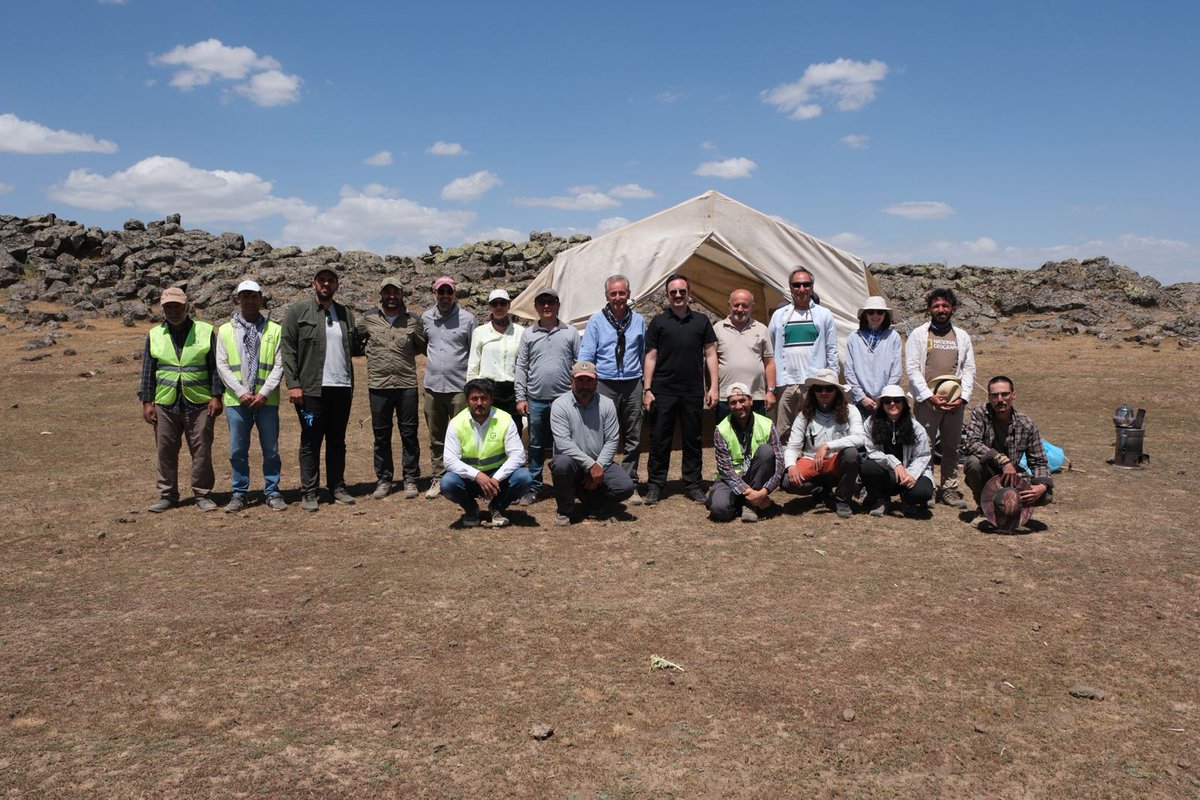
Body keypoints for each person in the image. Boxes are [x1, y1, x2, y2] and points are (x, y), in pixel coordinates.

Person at [281, 267, 366, 512]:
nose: (326, 284)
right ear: (313, 284)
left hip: (341, 388)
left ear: (337, 285)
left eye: (330, 280)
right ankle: (309, 491)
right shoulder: (298, 311)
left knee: (337, 440)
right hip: (311, 390)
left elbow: (353, 348)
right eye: (322, 280)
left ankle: (337, 487)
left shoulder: (344, 313)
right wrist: (293, 384)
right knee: (310, 440)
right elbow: (288, 348)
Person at [139, 286, 224, 513]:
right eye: (168, 307)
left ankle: (203, 494)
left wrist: (217, 396)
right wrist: (147, 402)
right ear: (162, 309)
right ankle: (167, 495)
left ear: (186, 306)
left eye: (177, 306)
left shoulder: (205, 331)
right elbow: (148, 371)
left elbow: (215, 368)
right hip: (165, 403)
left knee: (202, 450)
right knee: (165, 451)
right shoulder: (155, 335)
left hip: (200, 402)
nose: (173, 311)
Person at [642, 274, 718, 505]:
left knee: (692, 439)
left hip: (692, 391)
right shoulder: (658, 322)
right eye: (673, 292)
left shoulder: (702, 321)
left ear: (689, 294)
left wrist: (713, 386)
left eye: (682, 291)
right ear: (667, 295)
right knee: (659, 439)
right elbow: (651, 357)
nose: (677, 295)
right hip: (663, 390)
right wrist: (647, 389)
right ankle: (655, 485)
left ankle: (693, 484)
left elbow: (711, 354)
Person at [215, 279, 286, 512]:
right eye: (244, 296)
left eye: (253, 296)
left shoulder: (274, 330)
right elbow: (222, 365)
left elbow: (280, 364)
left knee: (271, 449)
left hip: (267, 401)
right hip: (238, 401)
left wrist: (265, 392)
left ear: (260, 298)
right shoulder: (225, 330)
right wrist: (241, 392)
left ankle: (272, 490)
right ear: (238, 299)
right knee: (237, 449)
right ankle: (239, 492)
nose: (249, 300)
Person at [905, 287, 976, 509]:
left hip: (954, 402)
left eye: (945, 305)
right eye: (936, 306)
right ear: (930, 309)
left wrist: (963, 397)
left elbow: (969, 369)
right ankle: (927, 486)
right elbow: (913, 368)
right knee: (924, 445)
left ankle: (949, 488)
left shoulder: (962, 336)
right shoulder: (919, 334)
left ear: (952, 308)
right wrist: (928, 396)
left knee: (951, 446)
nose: (941, 309)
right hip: (927, 402)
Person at [579, 274, 648, 503]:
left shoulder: (638, 321)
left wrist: (646, 385)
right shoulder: (596, 321)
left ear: (628, 294)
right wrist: (585, 383)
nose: (618, 298)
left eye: (622, 293)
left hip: (632, 382)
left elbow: (643, 354)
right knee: (600, 433)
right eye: (613, 294)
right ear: (606, 296)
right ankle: (599, 478)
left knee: (633, 434)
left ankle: (630, 482)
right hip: (604, 382)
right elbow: (587, 354)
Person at [548, 361, 635, 525]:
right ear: (571, 381)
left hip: (600, 461)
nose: (585, 386)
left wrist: (599, 466)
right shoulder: (559, 405)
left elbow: (612, 440)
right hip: (572, 462)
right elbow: (563, 442)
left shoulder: (607, 404)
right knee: (561, 463)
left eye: (589, 381)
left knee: (625, 486)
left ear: (596, 382)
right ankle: (565, 510)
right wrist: (591, 466)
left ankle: (590, 498)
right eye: (580, 380)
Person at [364, 276, 427, 500]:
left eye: (396, 292)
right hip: (379, 385)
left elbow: (422, 345)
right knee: (381, 435)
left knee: (409, 434)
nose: (391, 296)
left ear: (402, 294)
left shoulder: (413, 320)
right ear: (381, 294)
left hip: (406, 384)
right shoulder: (368, 319)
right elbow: (355, 343)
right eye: (387, 292)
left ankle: (410, 478)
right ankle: (384, 479)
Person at [440, 378, 533, 528]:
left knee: (525, 478)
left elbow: (518, 455)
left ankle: (497, 506)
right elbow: (450, 460)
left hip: (498, 478)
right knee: (448, 483)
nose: (479, 403)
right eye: (474, 398)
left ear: (491, 399)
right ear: (467, 400)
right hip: (470, 479)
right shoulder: (456, 423)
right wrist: (477, 475)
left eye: (484, 398)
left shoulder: (504, 419)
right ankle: (471, 508)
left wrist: (496, 478)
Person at [515, 287, 579, 506]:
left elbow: (578, 365)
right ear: (536, 308)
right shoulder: (528, 334)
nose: (546, 306)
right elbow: (521, 366)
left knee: (564, 445)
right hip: (536, 400)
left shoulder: (570, 332)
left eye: (550, 302)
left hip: (564, 401)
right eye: (542, 303)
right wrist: (520, 397)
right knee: (535, 446)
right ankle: (534, 487)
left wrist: (577, 395)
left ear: (558, 305)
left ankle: (565, 485)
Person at [961, 375, 1054, 520]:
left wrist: (1042, 485)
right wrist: (1002, 460)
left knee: (1046, 496)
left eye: (1005, 394)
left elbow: (1040, 462)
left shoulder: (1027, 425)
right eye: (995, 395)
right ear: (989, 397)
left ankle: (1009, 509)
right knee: (973, 463)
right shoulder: (980, 413)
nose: (1000, 399)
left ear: (1013, 395)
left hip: (1013, 477)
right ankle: (984, 507)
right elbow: (971, 443)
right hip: (987, 471)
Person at [767, 266, 840, 447]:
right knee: (784, 429)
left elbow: (831, 349)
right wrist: (771, 386)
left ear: (812, 286)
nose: (801, 289)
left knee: (813, 427)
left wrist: (831, 380)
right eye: (797, 284)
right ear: (790, 287)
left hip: (813, 382)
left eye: (806, 284)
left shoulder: (823, 315)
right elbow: (770, 351)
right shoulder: (779, 316)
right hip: (786, 382)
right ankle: (784, 468)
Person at [421, 276, 476, 499]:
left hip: (459, 388)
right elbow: (426, 346)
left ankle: (461, 477)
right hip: (433, 387)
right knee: (436, 436)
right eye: (440, 292)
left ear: (454, 294)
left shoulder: (468, 319)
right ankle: (438, 476)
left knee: (462, 435)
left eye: (448, 292)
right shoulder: (426, 318)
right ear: (434, 293)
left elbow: (473, 350)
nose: (444, 297)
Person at [783, 368, 865, 518]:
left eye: (829, 389)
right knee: (788, 481)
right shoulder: (804, 414)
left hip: (836, 460)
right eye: (819, 389)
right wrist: (791, 466)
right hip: (812, 461)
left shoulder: (851, 410)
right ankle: (820, 491)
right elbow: (793, 446)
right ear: (813, 391)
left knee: (851, 454)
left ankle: (842, 500)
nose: (824, 393)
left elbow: (860, 438)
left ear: (837, 391)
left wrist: (827, 446)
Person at [708, 383, 785, 523]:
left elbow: (780, 463)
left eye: (742, 400)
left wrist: (764, 491)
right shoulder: (721, 430)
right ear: (729, 405)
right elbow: (725, 469)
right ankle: (749, 501)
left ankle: (750, 504)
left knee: (766, 451)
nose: (738, 406)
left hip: (756, 476)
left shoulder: (767, 424)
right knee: (719, 510)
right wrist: (749, 493)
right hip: (731, 479)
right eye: (733, 402)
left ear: (751, 401)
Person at [860, 385, 934, 518]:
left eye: (897, 400)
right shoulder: (870, 424)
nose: (892, 404)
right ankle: (881, 499)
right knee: (868, 467)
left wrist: (911, 474)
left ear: (904, 403)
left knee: (923, 492)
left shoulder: (916, 427)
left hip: (910, 474)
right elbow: (871, 451)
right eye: (887, 401)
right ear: (881, 404)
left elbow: (923, 455)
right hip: (887, 474)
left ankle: (908, 500)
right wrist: (894, 463)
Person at [467, 288, 525, 437]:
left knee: (513, 431)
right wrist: (472, 394)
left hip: (512, 390)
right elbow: (473, 365)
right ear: (489, 307)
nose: (499, 307)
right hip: (488, 389)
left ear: (509, 305)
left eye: (502, 303)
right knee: (488, 431)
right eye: (495, 304)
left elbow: (525, 364)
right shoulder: (480, 332)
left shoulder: (521, 332)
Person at [715, 289, 777, 424]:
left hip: (755, 396)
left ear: (752, 307)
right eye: (736, 305)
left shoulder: (761, 329)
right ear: (729, 305)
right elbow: (711, 362)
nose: (740, 309)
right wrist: (712, 389)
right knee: (726, 437)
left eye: (745, 305)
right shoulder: (717, 329)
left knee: (757, 438)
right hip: (726, 397)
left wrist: (771, 391)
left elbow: (769, 363)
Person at [844, 296, 903, 420]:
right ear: (865, 315)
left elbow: (896, 371)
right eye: (871, 312)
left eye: (880, 312)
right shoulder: (854, 338)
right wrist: (862, 398)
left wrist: (884, 397)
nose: (875, 316)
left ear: (885, 315)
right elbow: (849, 371)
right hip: (860, 402)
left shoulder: (893, 337)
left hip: (886, 402)